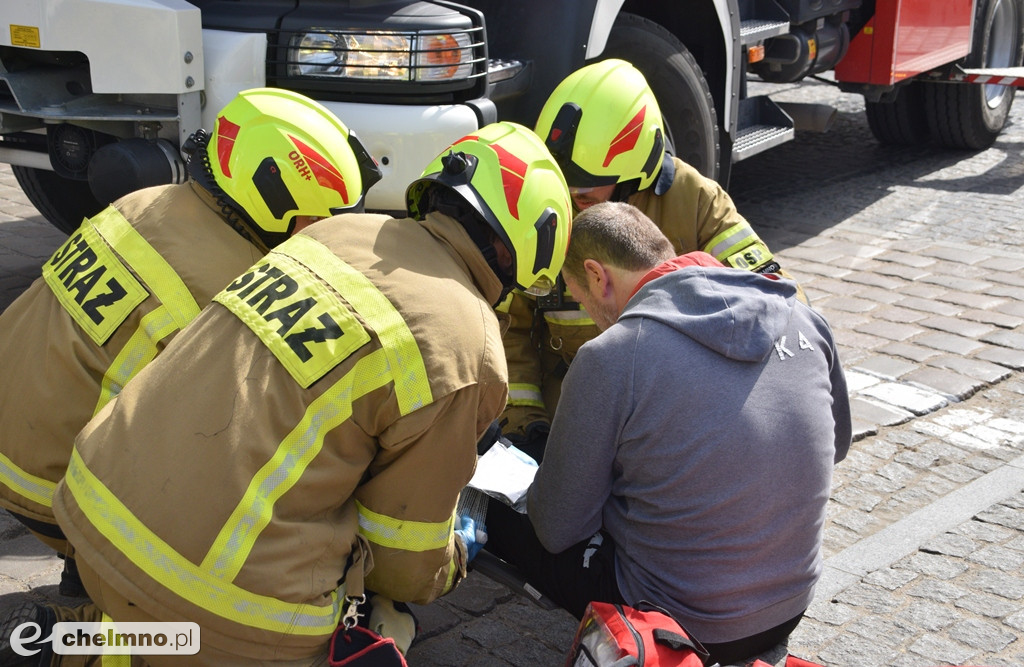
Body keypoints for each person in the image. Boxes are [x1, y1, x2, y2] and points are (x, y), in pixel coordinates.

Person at [1, 121, 571, 666]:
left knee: (175, 621)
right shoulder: (471, 346)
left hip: (88, 516)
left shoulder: (334, 234)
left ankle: (80, 642)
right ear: (526, 248)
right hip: (207, 592)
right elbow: (402, 559)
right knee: (379, 623)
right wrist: (455, 552)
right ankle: (105, 650)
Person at [0, 86, 380, 595]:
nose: (321, 235)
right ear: (271, 196)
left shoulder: (145, 201)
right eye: (315, 219)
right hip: (53, 489)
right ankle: (94, 604)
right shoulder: (232, 287)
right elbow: (229, 444)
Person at [484, 201, 851, 667]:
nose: (587, 312)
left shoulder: (612, 355)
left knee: (495, 507)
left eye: (577, 295)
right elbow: (837, 446)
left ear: (596, 276)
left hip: (678, 624)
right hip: (787, 610)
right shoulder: (804, 318)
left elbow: (558, 531)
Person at [499, 58, 805, 460]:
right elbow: (509, 328)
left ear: (634, 171)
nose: (571, 198)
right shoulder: (546, 202)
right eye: (563, 182)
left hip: (680, 411)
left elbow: (776, 297)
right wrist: (527, 427)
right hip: (578, 412)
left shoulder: (694, 200)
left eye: (587, 188)